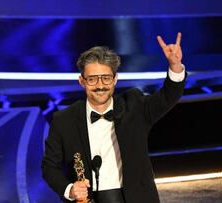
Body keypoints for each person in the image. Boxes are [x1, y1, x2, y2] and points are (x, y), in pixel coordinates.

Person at [42, 33, 186, 203]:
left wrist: (175, 66)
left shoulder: (134, 105)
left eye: (106, 78)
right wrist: (70, 190)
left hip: (135, 197)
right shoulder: (64, 120)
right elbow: (50, 167)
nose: (100, 85)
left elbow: (168, 97)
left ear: (115, 79)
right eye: (92, 79)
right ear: (82, 81)